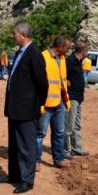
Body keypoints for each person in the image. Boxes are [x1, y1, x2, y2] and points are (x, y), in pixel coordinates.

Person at [0, 22, 48, 194]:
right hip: (15, 108)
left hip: (27, 108)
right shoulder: (20, 51)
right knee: (14, 144)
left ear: (23, 35)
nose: (13, 36)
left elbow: (42, 83)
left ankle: (27, 180)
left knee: (26, 145)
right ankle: (14, 175)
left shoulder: (34, 54)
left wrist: (36, 104)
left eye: (14, 33)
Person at [37, 36, 71, 170]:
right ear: (60, 47)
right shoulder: (43, 57)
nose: (68, 51)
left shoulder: (62, 59)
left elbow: (61, 79)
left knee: (59, 132)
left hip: (60, 102)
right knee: (40, 133)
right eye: (67, 48)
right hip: (46, 103)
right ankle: (36, 160)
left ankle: (59, 159)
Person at [64, 41, 90, 157]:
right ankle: (65, 151)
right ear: (83, 51)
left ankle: (76, 148)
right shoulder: (69, 61)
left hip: (78, 98)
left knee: (76, 125)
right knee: (68, 126)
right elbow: (61, 75)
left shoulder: (79, 62)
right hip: (72, 98)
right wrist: (65, 82)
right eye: (87, 52)